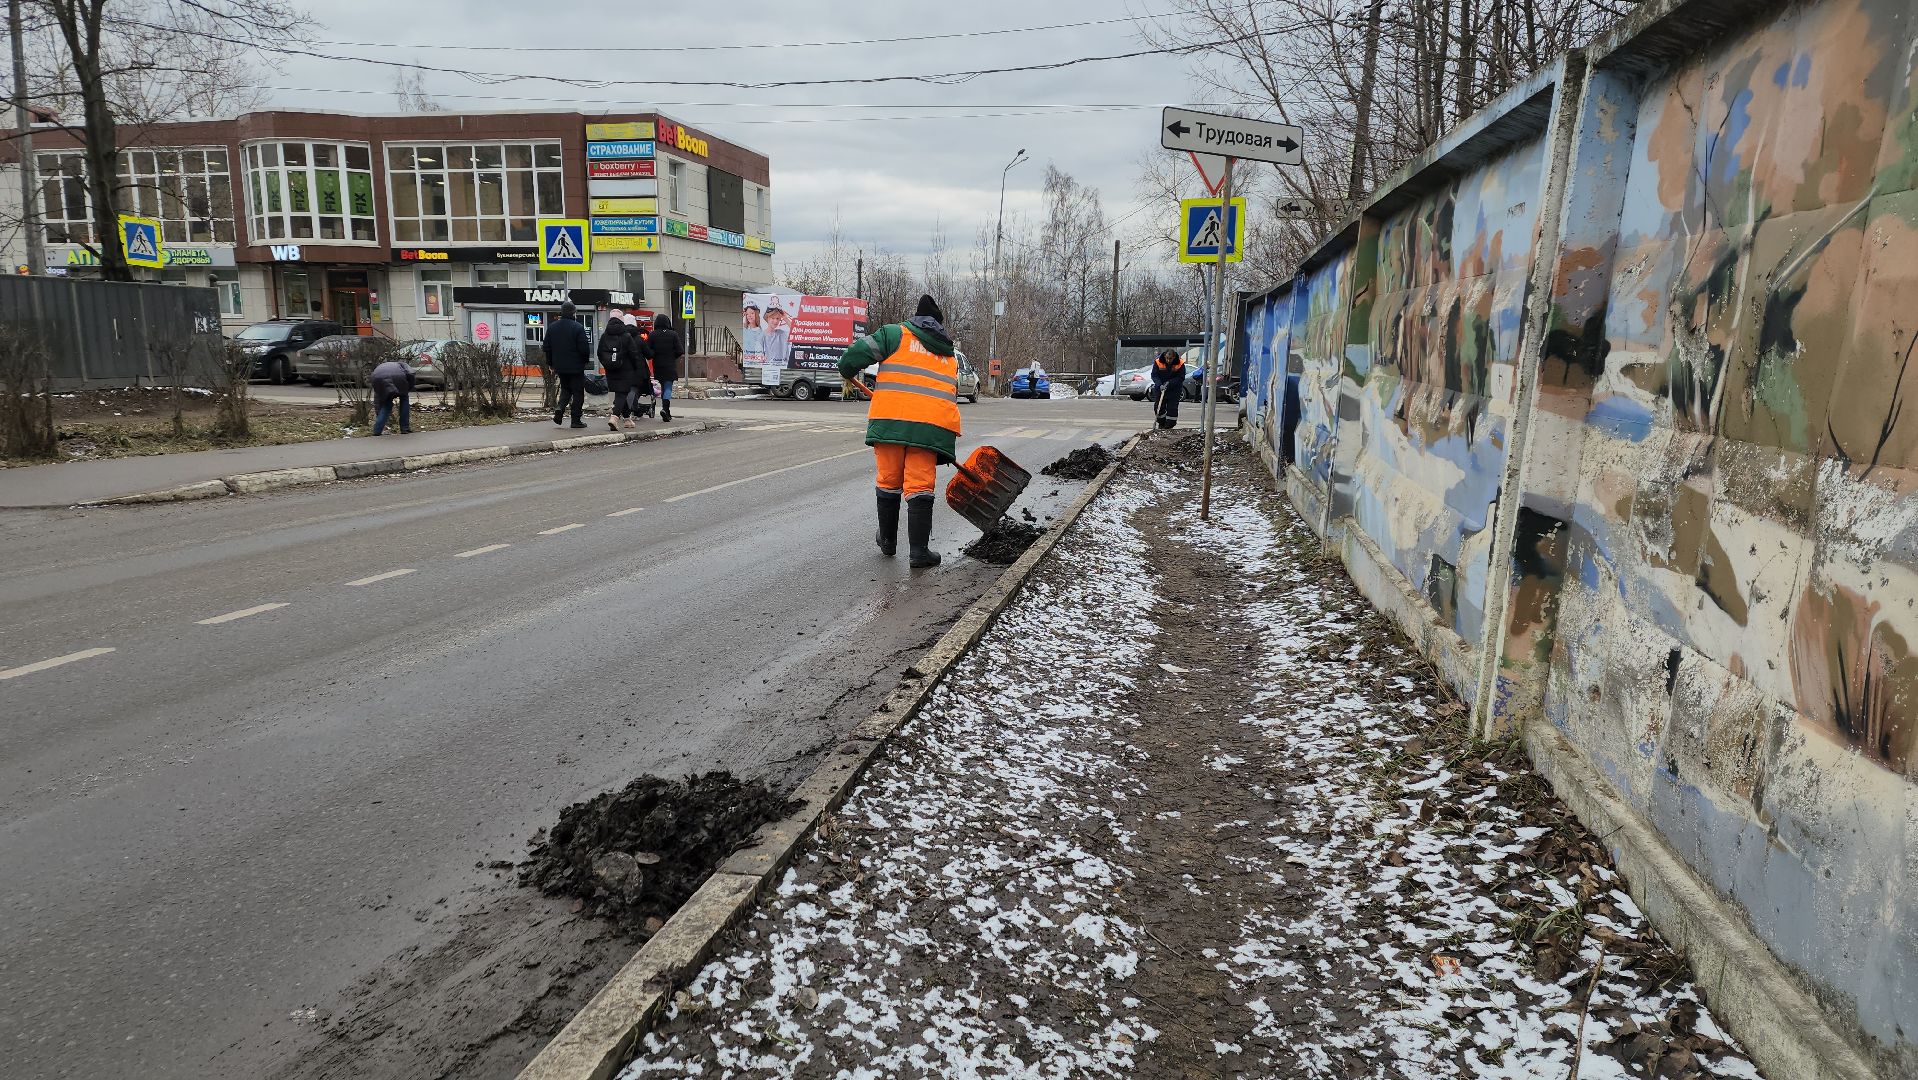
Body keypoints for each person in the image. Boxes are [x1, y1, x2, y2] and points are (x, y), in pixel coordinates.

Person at [837, 293, 960, 569]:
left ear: (916, 319)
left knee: (889, 481)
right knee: (920, 485)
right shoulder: (949, 355)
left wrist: (846, 370)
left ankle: (888, 542)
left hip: (891, 422)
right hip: (930, 430)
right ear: (939, 326)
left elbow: (853, 356)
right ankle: (919, 552)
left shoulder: (895, 334)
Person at [543, 301, 591, 429]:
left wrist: (551, 363)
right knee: (578, 392)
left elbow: (547, 347)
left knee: (566, 388)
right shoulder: (578, 327)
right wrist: (585, 361)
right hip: (576, 366)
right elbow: (584, 348)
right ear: (573, 312)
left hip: (560, 366)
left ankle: (560, 407)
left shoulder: (552, 327)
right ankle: (576, 420)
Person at [599, 316, 648, 430]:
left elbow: (599, 353)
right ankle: (614, 417)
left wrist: (607, 364)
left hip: (610, 370)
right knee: (622, 393)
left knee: (620, 393)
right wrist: (636, 368)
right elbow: (634, 354)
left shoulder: (604, 336)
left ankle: (627, 419)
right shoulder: (626, 336)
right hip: (626, 370)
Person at [648, 311, 683, 423]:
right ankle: (665, 409)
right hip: (670, 364)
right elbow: (680, 350)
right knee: (667, 387)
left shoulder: (653, 334)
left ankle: (665, 410)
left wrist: (655, 355)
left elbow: (648, 351)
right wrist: (672, 356)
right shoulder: (673, 334)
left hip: (658, 365)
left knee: (663, 385)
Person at [369, 356, 414, 435]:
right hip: (399, 377)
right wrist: (407, 389)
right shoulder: (403, 365)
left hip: (376, 377)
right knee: (404, 398)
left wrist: (378, 413)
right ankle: (405, 428)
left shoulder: (381, 367)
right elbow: (411, 374)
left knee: (386, 404)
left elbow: (377, 400)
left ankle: (377, 430)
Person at [1150, 348, 1187, 430]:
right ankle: (1161, 423)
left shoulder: (1180, 363)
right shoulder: (1158, 362)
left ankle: (1169, 425)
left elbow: (1181, 377)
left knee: (1172, 408)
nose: (1168, 360)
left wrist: (1169, 383)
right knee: (1158, 407)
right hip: (1160, 389)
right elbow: (1154, 375)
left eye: (1170, 358)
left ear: (1174, 357)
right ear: (1164, 356)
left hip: (1174, 390)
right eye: (1167, 358)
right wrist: (1159, 384)